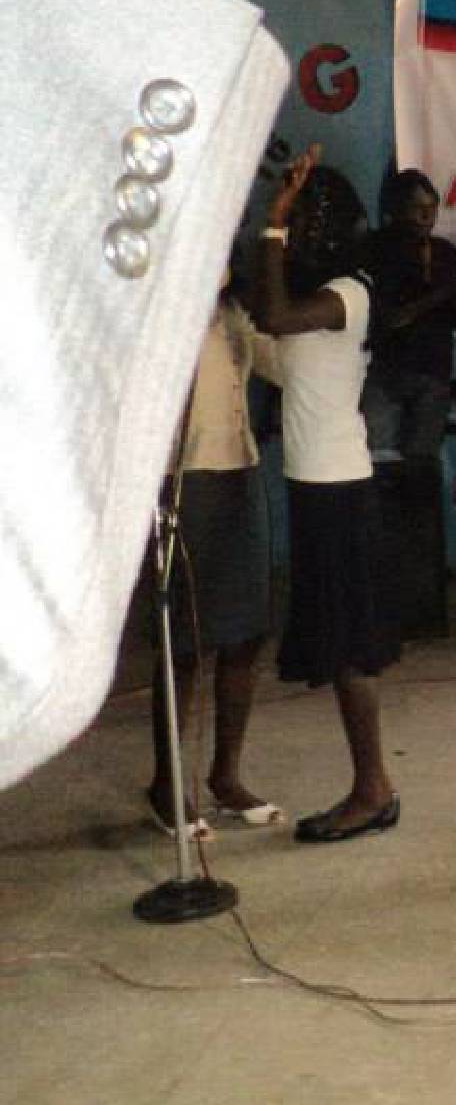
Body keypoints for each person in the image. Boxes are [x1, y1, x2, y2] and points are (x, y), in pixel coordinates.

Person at [1, 0, 289, 791]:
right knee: (171, 646)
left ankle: (213, 776)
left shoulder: (224, 321)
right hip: (175, 493)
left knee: (238, 633)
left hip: (223, 480)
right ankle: (181, 781)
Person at [251, 148, 404, 843]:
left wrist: (272, 224)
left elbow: (275, 317)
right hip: (314, 486)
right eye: (298, 218)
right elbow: (276, 349)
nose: (302, 229)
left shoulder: (349, 292)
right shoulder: (316, 300)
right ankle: (371, 785)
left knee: (352, 649)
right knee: (341, 646)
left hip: (340, 486)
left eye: (312, 216)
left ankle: (373, 789)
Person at [143, 279, 285, 838]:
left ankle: (226, 776)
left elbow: (280, 367)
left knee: (246, 633)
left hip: (239, 472)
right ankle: (166, 784)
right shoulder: (163, 303)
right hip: (184, 475)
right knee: (185, 640)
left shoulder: (235, 311)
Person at [361, 168, 456, 465]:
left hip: (432, 375)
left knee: (422, 470)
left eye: (432, 208)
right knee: (379, 464)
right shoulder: (373, 249)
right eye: (417, 208)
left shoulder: (446, 254)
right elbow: (378, 314)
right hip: (382, 375)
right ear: (398, 210)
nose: (427, 216)